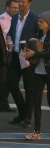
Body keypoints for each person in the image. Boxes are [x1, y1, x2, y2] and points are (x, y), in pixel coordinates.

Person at [6, 0, 39, 126]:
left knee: (29, 88)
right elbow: (10, 33)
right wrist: (8, 38)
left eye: (23, 2)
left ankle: (27, 118)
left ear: (29, 3)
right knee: (11, 84)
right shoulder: (14, 18)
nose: (20, 4)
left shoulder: (35, 19)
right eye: (19, 1)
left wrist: (34, 51)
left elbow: (40, 38)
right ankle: (23, 112)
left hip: (28, 58)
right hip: (15, 56)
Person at [23, 11, 50, 140]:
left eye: (42, 21)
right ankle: (36, 131)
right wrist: (27, 52)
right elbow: (37, 50)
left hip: (48, 72)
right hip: (39, 71)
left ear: (48, 23)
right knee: (36, 101)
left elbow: (48, 53)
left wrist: (34, 54)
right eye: (39, 21)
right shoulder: (39, 35)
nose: (39, 23)